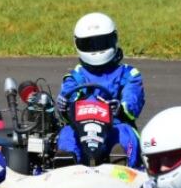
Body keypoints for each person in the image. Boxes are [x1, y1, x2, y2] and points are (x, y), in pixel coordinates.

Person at [55, 12, 145, 168]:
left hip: (115, 125)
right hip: (81, 127)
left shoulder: (128, 74)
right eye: (90, 44)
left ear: (113, 39)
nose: (96, 50)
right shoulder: (76, 76)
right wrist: (65, 103)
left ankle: (120, 163)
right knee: (67, 134)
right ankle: (67, 163)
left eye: (102, 42)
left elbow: (133, 97)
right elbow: (69, 93)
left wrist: (121, 108)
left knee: (125, 134)